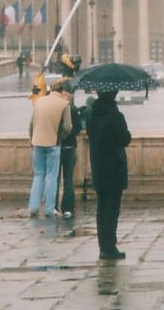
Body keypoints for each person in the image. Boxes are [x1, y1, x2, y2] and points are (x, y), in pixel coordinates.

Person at [87, 89, 132, 260]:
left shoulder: (92, 115)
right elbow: (124, 139)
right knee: (112, 209)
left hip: (98, 166)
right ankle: (110, 247)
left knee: (102, 207)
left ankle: (103, 246)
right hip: (114, 167)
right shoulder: (115, 116)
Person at [27, 81, 73, 219]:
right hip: (53, 143)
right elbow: (68, 127)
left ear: (51, 90)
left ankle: (33, 207)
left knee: (39, 175)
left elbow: (31, 123)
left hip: (37, 142)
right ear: (62, 92)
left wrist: (31, 139)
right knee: (52, 177)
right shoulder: (64, 104)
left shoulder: (40, 101)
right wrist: (60, 137)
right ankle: (49, 208)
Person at [53, 81, 82, 219]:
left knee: (56, 178)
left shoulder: (58, 108)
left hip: (58, 146)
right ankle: (68, 208)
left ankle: (53, 206)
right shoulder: (74, 109)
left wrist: (60, 137)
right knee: (68, 179)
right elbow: (77, 128)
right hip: (70, 147)